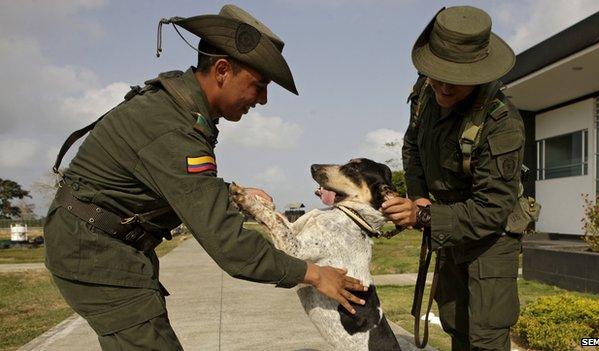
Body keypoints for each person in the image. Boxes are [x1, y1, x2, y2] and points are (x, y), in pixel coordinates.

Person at [44, 5, 366, 350]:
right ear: (223, 70)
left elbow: (170, 179)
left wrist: (229, 193)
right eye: (258, 85)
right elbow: (230, 247)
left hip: (105, 240)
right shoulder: (173, 126)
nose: (263, 99)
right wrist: (314, 274)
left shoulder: (179, 105)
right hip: (95, 249)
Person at [381, 6, 525, 351]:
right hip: (448, 229)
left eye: (455, 79)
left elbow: (492, 210)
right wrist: (418, 197)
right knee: (456, 326)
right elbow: (412, 145)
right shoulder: (425, 93)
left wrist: (425, 217)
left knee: (486, 338)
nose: (442, 87)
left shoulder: (501, 123)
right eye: (436, 74)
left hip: (491, 239)